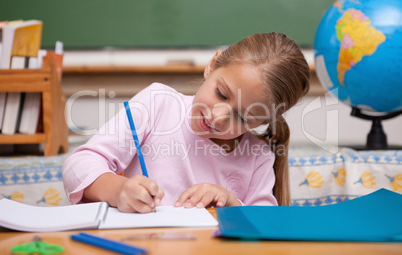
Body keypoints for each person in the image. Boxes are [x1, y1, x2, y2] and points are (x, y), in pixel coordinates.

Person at [62, 33, 310, 213]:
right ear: (212, 65)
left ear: (263, 121)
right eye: (221, 94)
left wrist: (230, 200)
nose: (218, 117)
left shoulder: (258, 156)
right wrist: (118, 190)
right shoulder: (157, 103)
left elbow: (266, 224)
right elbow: (79, 165)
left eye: (242, 117)